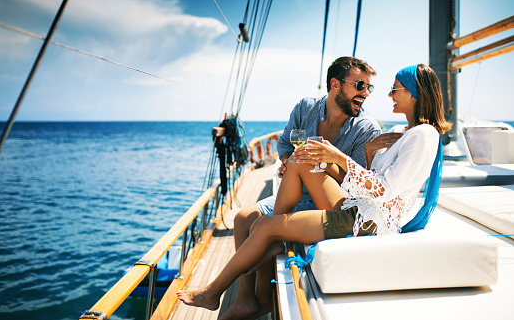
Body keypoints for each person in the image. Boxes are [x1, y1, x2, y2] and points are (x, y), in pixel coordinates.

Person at [177, 63, 452, 314]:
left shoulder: (424, 135)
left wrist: (338, 157)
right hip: (357, 205)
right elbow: (369, 181)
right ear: (335, 84)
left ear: (414, 94)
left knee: (264, 227)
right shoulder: (401, 130)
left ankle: (213, 292)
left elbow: (384, 191)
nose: (386, 95)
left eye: (394, 89)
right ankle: (262, 258)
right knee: (301, 157)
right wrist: (364, 153)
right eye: (366, 86)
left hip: (365, 221)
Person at [224, 56, 383, 319]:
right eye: (359, 85)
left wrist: (322, 162)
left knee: (260, 228)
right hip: (294, 189)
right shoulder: (306, 108)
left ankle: (262, 284)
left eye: (369, 88)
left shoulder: (367, 128)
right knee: (242, 219)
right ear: (335, 84)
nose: (365, 93)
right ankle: (247, 299)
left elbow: (355, 184)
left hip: (325, 199)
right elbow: (286, 144)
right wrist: (289, 163)